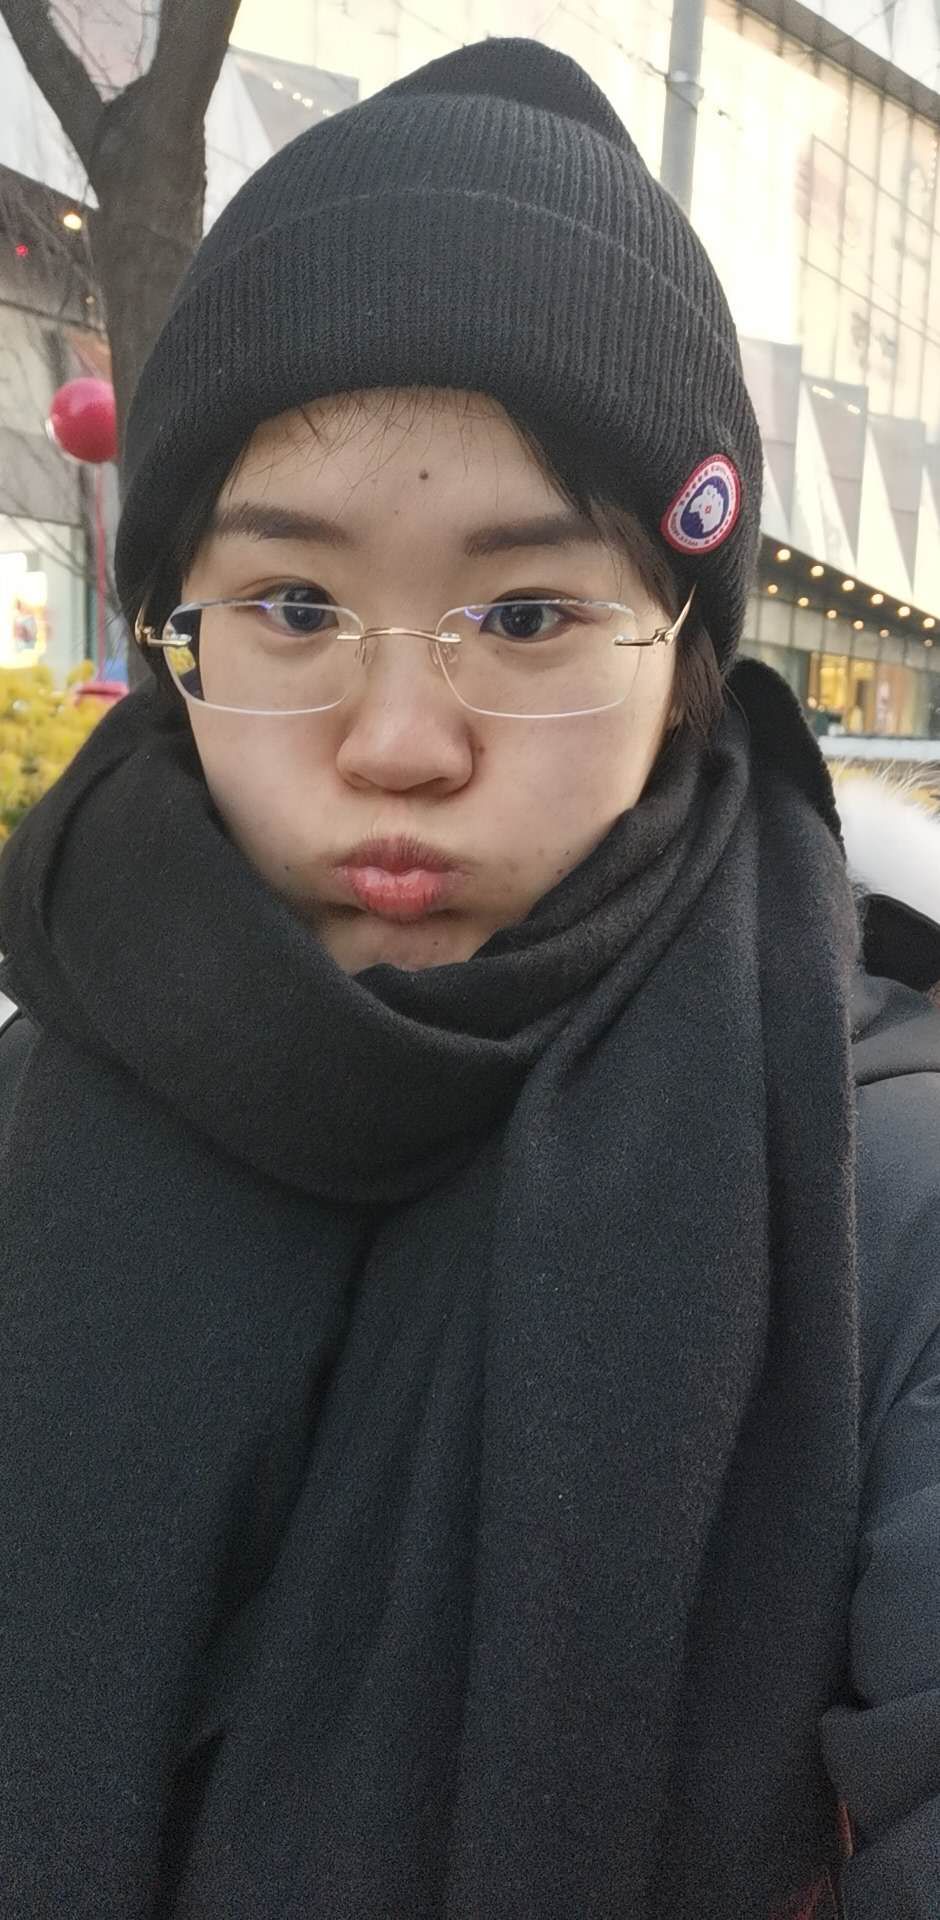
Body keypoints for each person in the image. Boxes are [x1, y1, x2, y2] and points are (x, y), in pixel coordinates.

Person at [0, 38, 938, 1920]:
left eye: (524, 615)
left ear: (682, 655)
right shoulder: (33, 1087)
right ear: (180, 628)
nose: (400, 742)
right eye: (293, 607)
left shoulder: (883, 1193)